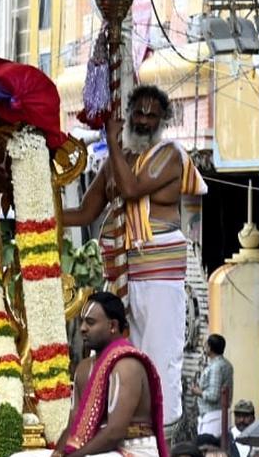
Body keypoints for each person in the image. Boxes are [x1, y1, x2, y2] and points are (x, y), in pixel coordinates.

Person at [61, 85, 208, 427]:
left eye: (152, 115)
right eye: (138, 113)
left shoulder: (170, 154)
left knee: (159, 355)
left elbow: (129, 190)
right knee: (120, 352)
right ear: (128, 113)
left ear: (163, 121)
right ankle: (125, 423)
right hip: (122, 269)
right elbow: (85, 212)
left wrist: (111, 142)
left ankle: (163, 431)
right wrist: (40, 216)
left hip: (159, 270)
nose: (143, 120)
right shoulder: (118, 160)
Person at [14, 293, 166, 457]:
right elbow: (73, 423)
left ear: (113, 325)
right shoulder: (84, 368)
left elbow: (115, 432)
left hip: (133, 449)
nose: (82, 328)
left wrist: (74, 456)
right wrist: (58, 453)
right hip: (95, 450)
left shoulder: (126, 365)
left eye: (90, 322)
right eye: (82, 322)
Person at [193, 334, 233, 440]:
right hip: (217, 415)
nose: (204, 347)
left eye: (206, 344)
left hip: (213, 417)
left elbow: (214, 395)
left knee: (208, 448)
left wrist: (199, 392)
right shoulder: (225, 364)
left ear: (210, 348)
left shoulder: (216, 367)